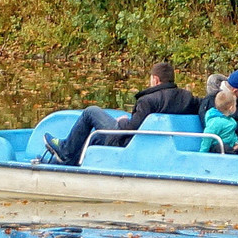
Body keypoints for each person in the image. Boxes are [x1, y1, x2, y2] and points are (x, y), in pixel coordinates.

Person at [43, 62, 196, 165]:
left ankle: (65, 151)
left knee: (91, 112)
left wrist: (122, 122)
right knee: (95, 139)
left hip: (126, 142)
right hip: (162, 144)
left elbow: (130, 130)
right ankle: (72, 158)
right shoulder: (186, 97)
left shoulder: (148, 101)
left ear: (156, 80)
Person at [200, 88, 238, 154]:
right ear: (231, 108)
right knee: (224, 149)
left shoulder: (231, 120)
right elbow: (208, 136)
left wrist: (236, 143)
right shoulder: (216, 122)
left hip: (230, 145)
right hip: (217, 147)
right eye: (235, 105)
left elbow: (232, 135)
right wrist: (203, 152)